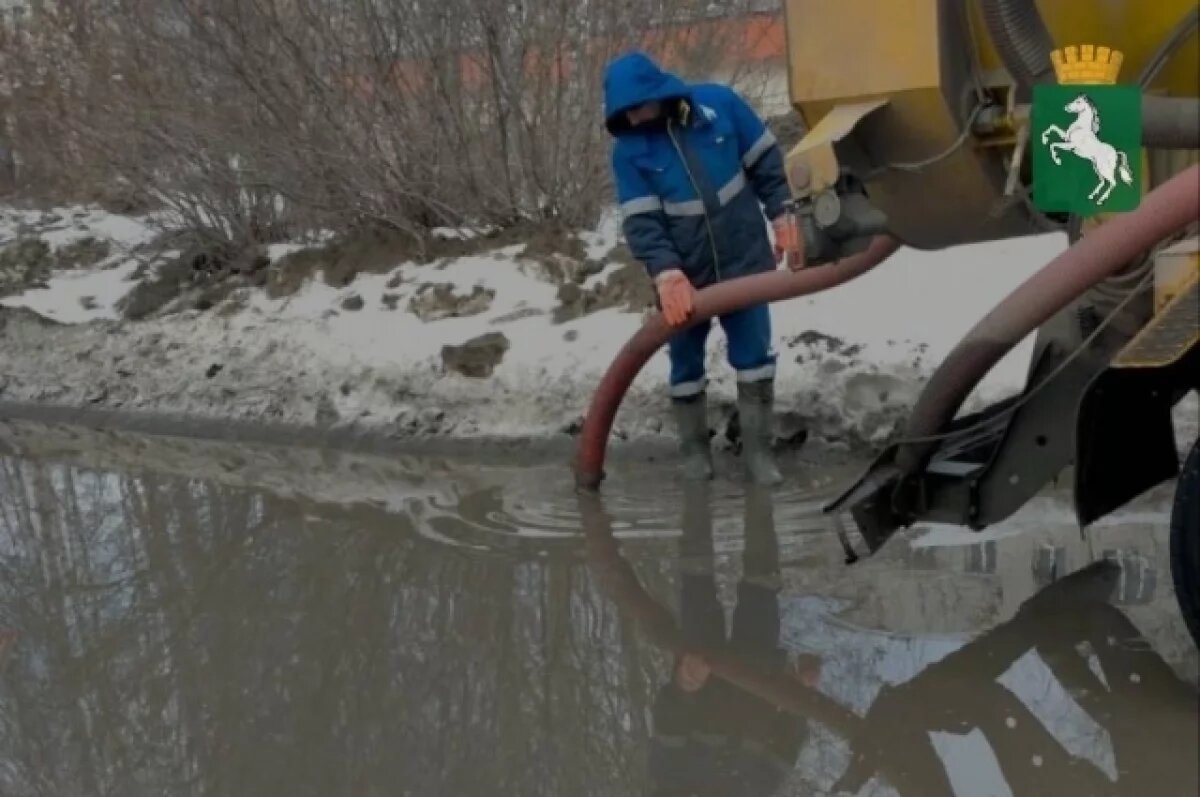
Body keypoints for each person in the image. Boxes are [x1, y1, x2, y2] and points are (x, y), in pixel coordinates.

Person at [603, 51, 803, 485]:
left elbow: (769, 167)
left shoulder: (722, 108)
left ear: (657, 94)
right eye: (624, 114)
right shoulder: (630, 153)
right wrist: (665, 272)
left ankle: (758, 456)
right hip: (684, 278)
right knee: (685, 361)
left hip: (744, 263)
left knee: (754, 356)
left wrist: (784, 213)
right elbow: (643, 222)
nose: (633, 119)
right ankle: (695, 454)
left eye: (637, 108)